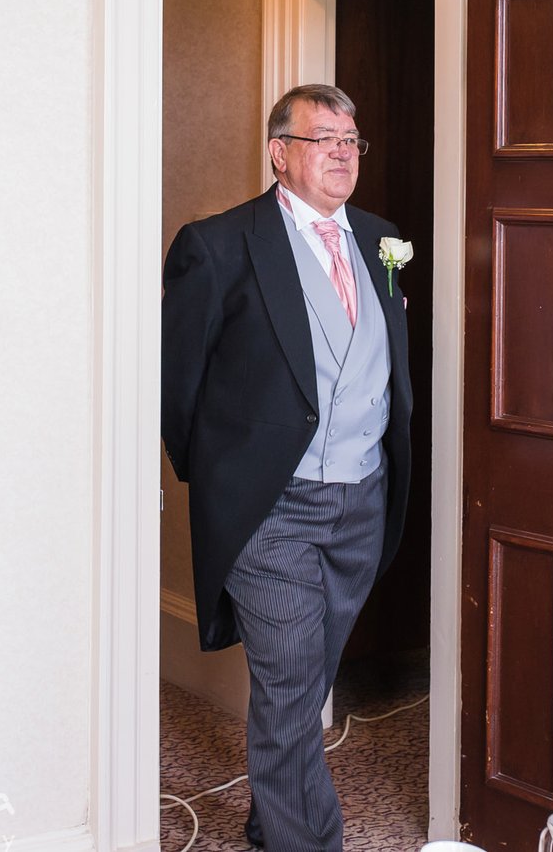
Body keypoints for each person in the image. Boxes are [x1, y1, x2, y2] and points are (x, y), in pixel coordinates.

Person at [160, 84, 412, 851]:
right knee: (291, 688)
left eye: (351, 140)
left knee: (306, 684)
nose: (342, 152)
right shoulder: (219, 244)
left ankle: (271, 824)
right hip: (271, 509)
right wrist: (227, 480)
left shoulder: (380, 239)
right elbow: (177, 389)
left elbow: (382, 364)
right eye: (323, 138)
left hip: (362, 501)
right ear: (279, 152)